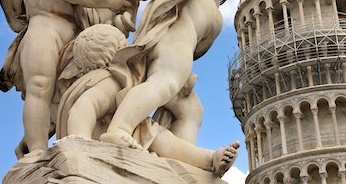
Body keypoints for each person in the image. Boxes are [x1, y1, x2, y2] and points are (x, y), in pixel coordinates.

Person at [0, 0, 134, 158]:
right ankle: (37, 152)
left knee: (56, 96)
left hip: (68, 40)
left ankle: (30, 145)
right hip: (43, 35)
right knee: (40, 89)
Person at [99, 0, 239, 150]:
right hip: (179, 50)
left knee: (191, 109)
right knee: (163, 85)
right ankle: (120, 128)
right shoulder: (215, 16)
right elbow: (200, 49)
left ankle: (182, 157)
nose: (224, 0)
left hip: (158, 42)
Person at [56, 24, 239, 177]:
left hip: (128, 136)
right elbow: (86, 105)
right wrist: (80, 139)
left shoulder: (113, 83)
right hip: (102, 139)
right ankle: (207, 159)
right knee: (163, 139)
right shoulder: (108, 81)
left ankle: (209, 159)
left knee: (160, 136)